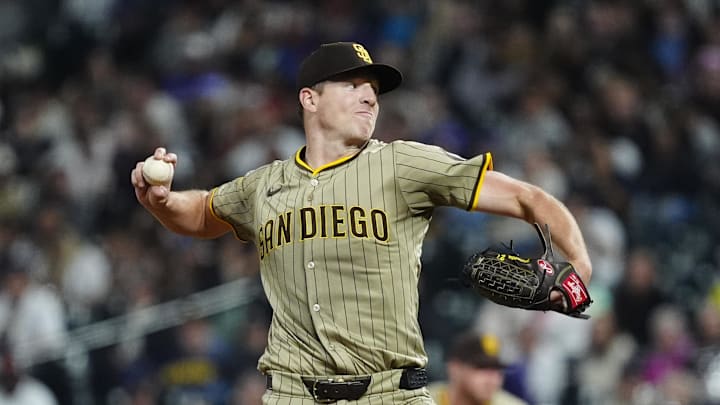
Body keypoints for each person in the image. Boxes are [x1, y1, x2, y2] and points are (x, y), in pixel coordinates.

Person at [131, 41, 592, 404]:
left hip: (392, 394)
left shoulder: (402, 165)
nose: (369, 95)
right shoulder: (262, 186)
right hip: (292, 395)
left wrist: (580, 267)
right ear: (309, 99)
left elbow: (528, 198)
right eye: (352, 84)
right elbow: (199, 213)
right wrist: (161, 200)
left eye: (372, 88)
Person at [428, 331, 528, 405]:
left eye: (497, 370)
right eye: (481, 368)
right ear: (455, 368)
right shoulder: (420, 400)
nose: (492, 380)